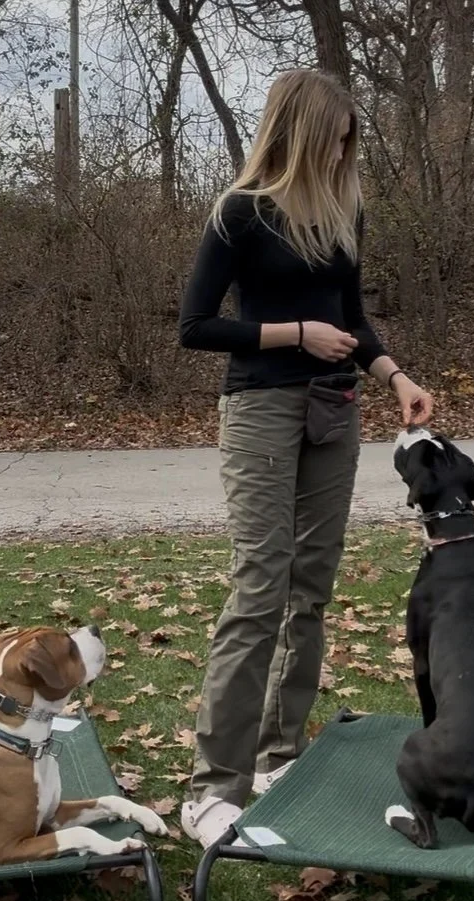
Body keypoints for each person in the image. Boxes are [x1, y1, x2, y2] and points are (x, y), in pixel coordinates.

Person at [178, 68, 434, 848]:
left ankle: (276, 756)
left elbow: (349, 317)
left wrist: (395, 377)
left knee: (309, 589)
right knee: (259, 588)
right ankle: (209, 789)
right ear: (296, 129)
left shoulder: (343, 207)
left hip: (335, 409)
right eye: (332, 135)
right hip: (259, 407)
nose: (341, 149)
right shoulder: (240, 213)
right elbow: (195, 325)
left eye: (348, 139)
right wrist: (292, 335)